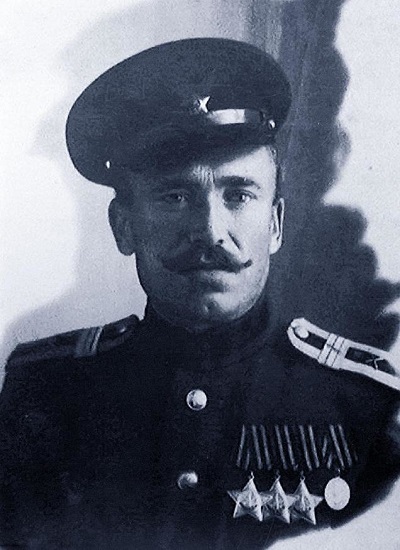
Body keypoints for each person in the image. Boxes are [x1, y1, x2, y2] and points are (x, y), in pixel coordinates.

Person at [0, 38, 399, 550]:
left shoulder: (363, 406)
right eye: (175, 196)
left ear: (275, 225)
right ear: (124, 226)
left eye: (239, 195)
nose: (211, 231)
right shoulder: (43, 394)